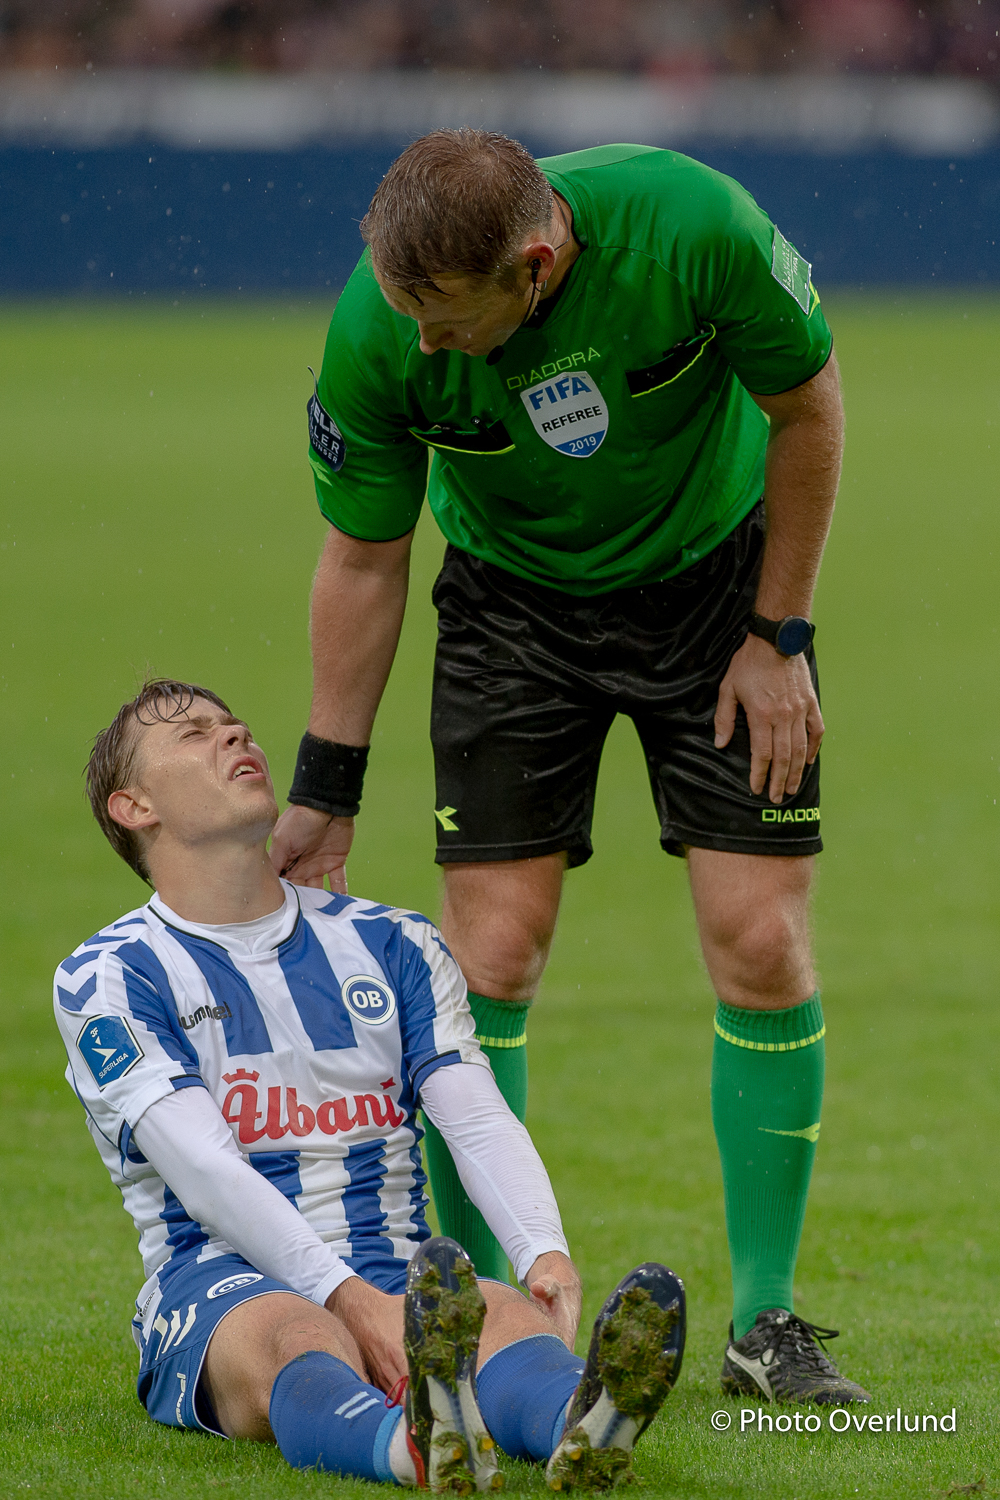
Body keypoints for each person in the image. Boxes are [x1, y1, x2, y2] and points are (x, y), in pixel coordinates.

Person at [271, 129, 871, 1404]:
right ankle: (492, 1325)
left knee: (761, 942)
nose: (423, 341)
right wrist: (327, 786)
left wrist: (778, 637)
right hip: (513, 613)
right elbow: (365, 557)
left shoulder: (692, 226)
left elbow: (806, 406)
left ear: (536, 264)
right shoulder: (380, 327)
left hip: (718, 593)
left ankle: (765, 1321)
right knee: (488, 957)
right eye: (406, 311)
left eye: (447, 316)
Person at [54, 678, 687, 1491]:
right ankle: (413, 1447)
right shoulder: (110, 975)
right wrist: (346, 1299)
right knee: (298, 1335)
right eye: (195, 733)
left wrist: (544, 1250)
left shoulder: (393, 942)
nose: (236, 734)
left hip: (394, 1261)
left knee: (499, 1316)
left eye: (234, 721)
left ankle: (582, 1422)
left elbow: (473, 1115)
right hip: (219, 1282)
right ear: (133, 807)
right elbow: (207, 1171)